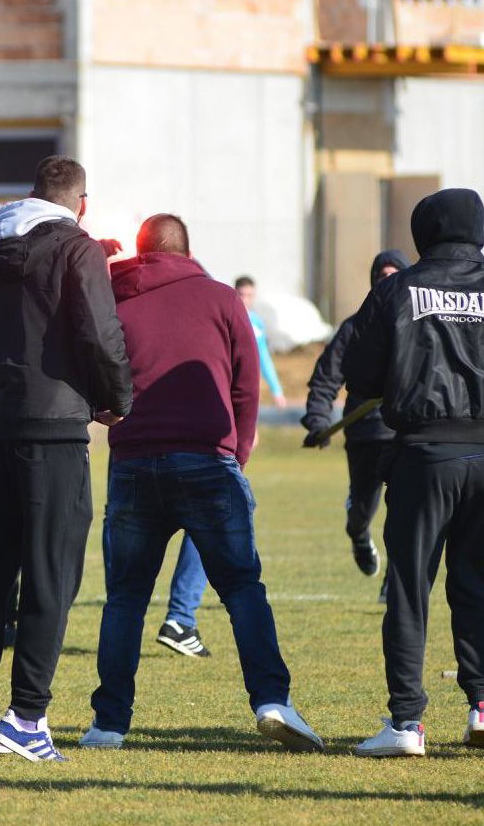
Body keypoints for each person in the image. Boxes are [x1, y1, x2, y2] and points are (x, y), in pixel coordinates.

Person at [80, 214, 323, 753]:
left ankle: (108, 725)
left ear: (141, 251)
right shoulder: (220, 298)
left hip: (134, 464)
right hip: (207, 462)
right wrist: (236, 451)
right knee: (241, 589)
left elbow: (93, 365)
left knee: (124, 599)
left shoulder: (115, 296)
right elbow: (246, 384)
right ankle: (272, 702)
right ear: (187, 251)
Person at [342, 188, 484, 757]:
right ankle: (481, 708)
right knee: (472, 582)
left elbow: (361, 373)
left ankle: (406, 724)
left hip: (423, 453)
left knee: (410, 587)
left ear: (424, 231)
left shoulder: (395, 290)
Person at [0, 155, 132, 761]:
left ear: (29, 195)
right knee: (53, 573)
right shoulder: (79, 250)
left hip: (0, 429)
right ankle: (26, 719)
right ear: (81, 204)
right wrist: (115, 398)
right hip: (56, 428)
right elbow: (100, 333)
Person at [304, 250, 410, 587]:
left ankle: (393, 581)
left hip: (404, 432)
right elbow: (326, 378)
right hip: (365, 433)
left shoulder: (417, 325)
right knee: (363, 508)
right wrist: (319, 421)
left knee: (404, 510)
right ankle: (359, 533)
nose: (388, 282)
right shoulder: (355, 327)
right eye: (382, 277)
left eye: (395, 275)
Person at [233, 276, 285, 409]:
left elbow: (263, 356)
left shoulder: (256, 323)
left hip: (248, 385)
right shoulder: (228, 319)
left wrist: (276, 389)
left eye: (249, 295)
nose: (245, 300)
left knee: (250, 426)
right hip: (229, 382)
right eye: (241, 295)